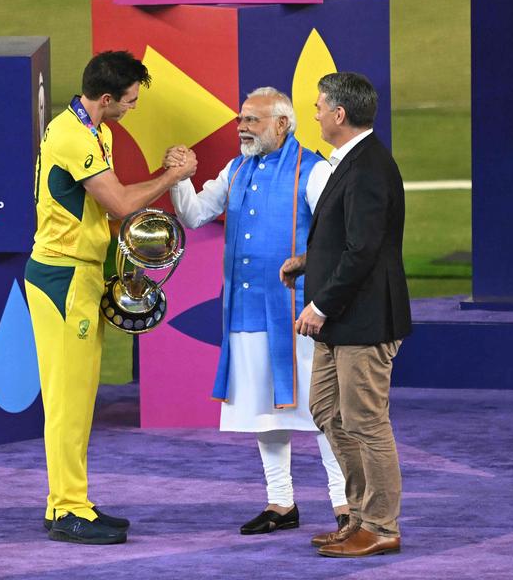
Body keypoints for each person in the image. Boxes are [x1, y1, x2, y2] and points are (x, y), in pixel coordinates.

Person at [25, 50, 197, 545]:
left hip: (79, 275)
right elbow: (120, 203)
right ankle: (67, 508)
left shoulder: (94, 130)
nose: (132, 108)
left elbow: (104, 210)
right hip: (63, 280)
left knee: (79, 397)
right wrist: (171, 176)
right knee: (67, 401)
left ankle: (68, 501)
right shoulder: (77, 137)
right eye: (129, 101)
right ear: (106, 98)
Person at [166, 87, 348, 537]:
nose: (243, 128)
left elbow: (339, 236)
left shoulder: (315, 170)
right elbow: (193, 215)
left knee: (323, 411)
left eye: (253, 120)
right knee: (264, 412)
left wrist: (319, 296)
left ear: (282, 124)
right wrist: (177, 177)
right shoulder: (237, 168)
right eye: (241, 120)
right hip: (246, 312)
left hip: (301, 316)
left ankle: (346, 504)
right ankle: (281, 502)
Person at [281, 71, 411, 558]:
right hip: (345, 321)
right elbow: (347, 241)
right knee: (329, 412)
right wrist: (308, 264)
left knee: (366, 421)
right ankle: (357, 515)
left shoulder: (369, 168)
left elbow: (363, 250)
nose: (313, 113)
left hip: (364, 320)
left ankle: (381, 525)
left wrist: (319, 303)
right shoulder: (352, 162)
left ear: (339, 114)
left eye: (318, 107)